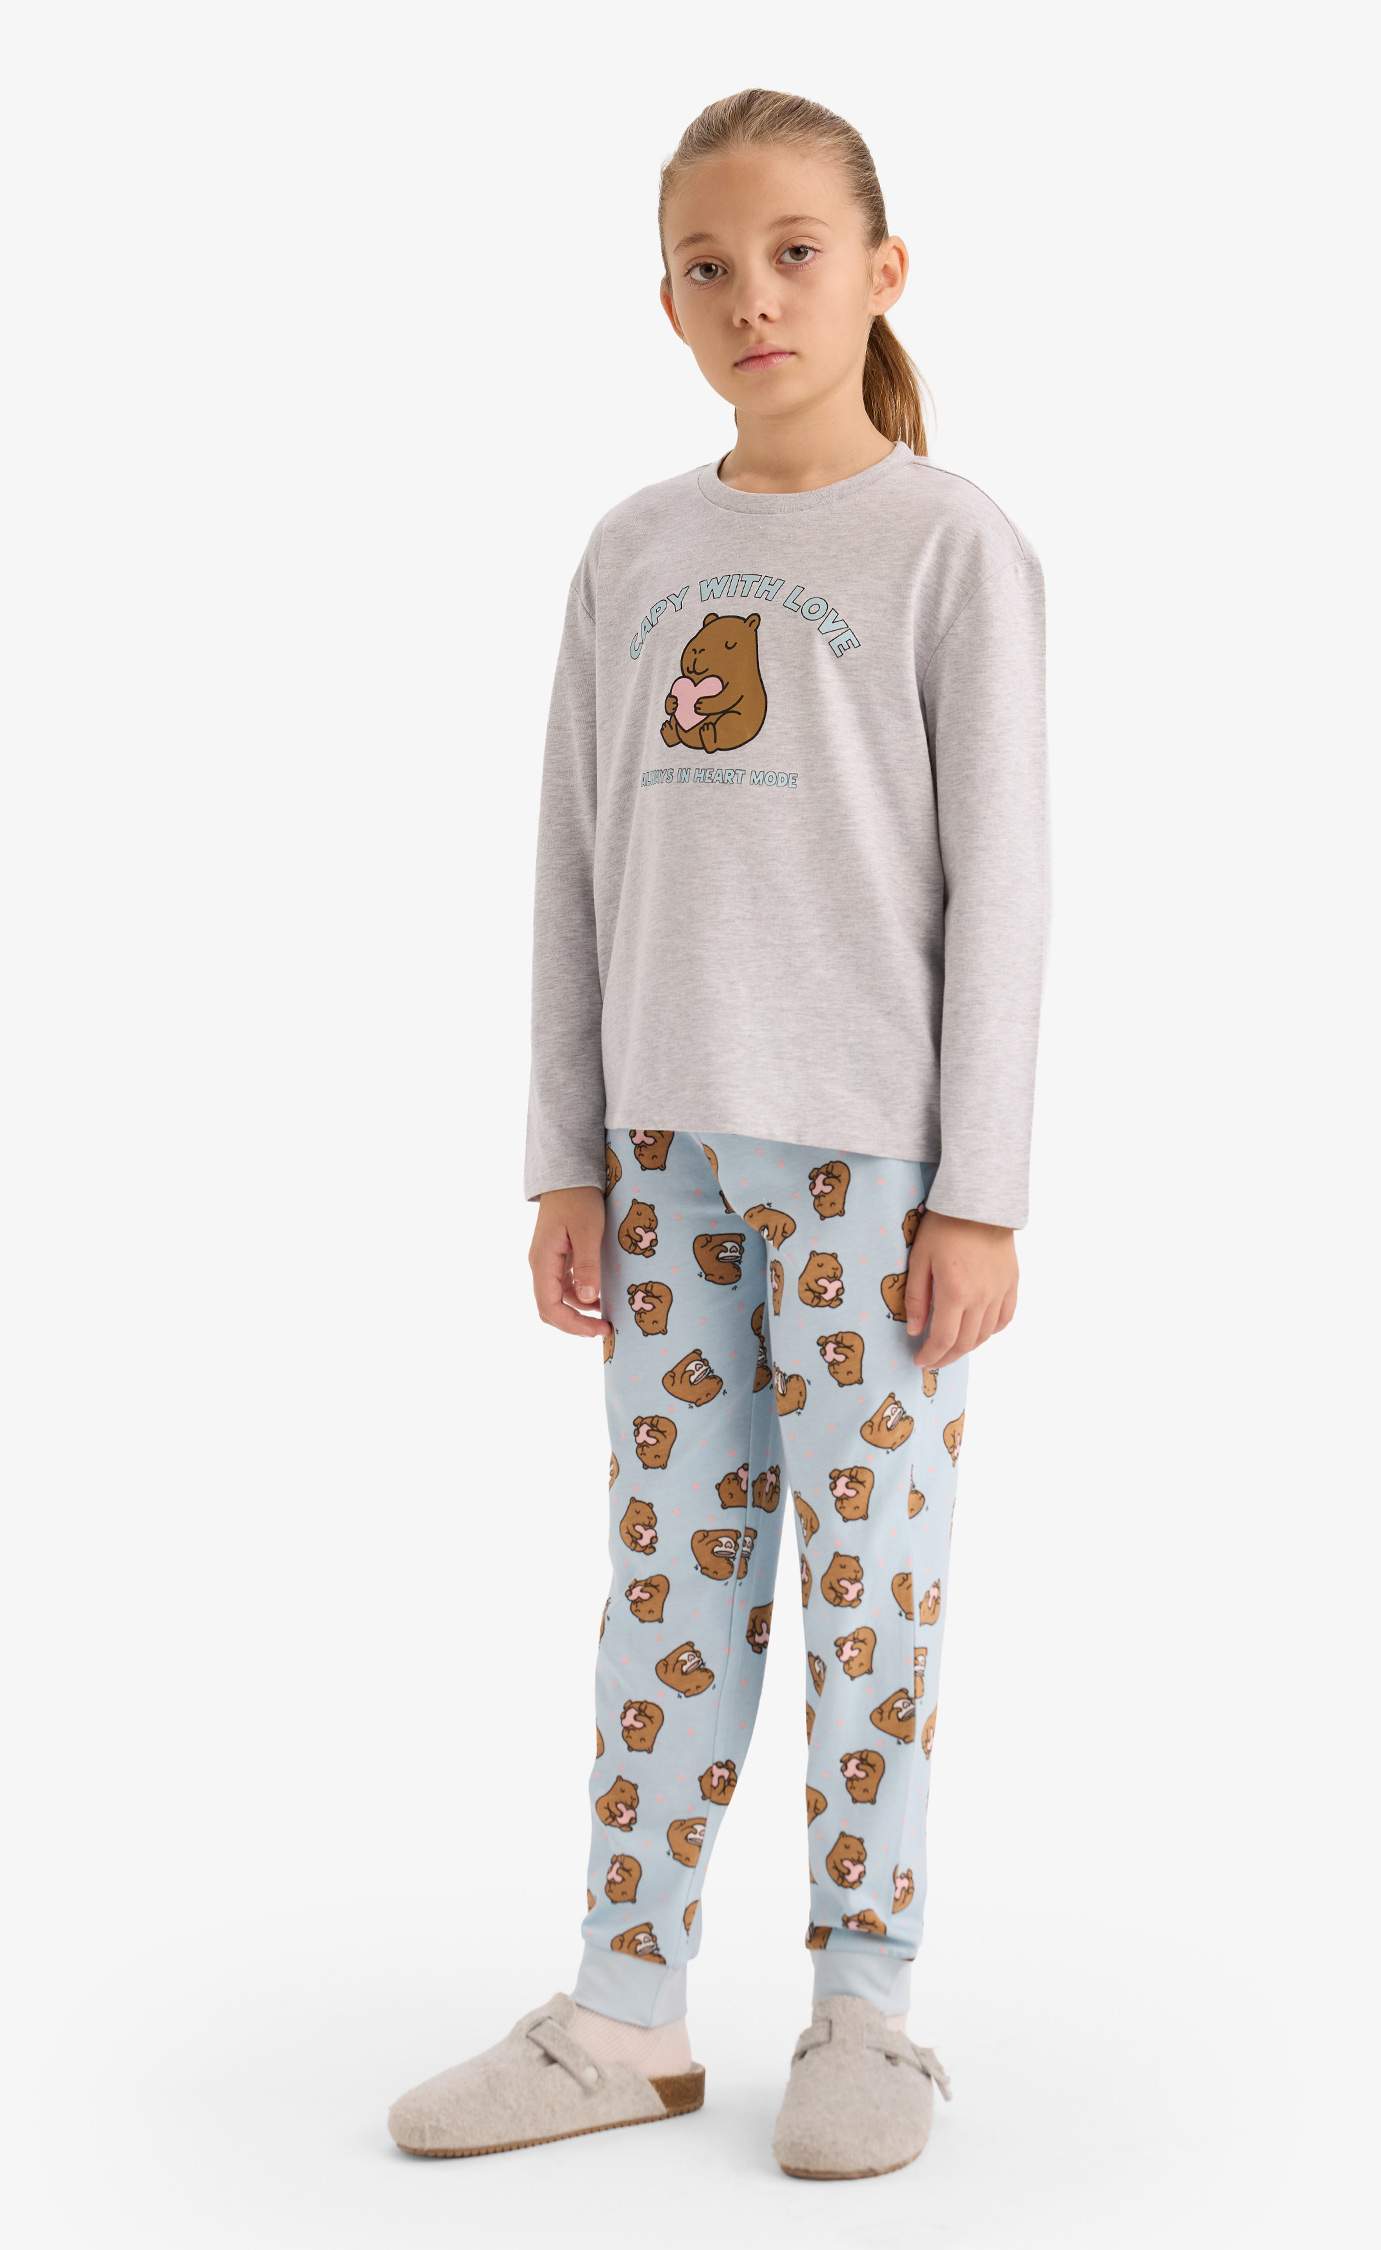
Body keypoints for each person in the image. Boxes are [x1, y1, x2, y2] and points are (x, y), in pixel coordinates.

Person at [388, 84, 1049, 2182]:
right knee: (669, 1578)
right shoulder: (633, 553)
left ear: (881, 273)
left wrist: (981, 1195)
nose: (752, 294)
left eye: (793, 252)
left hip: (877, 1173)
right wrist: (562, 1154)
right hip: (665, 1158)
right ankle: (627, 2009)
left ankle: (865, 2007)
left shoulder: (950, 546)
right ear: (665, 301)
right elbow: (572, 867)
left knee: (871, 1589)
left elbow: (1007, 885)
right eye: (708, 264)